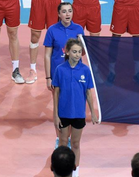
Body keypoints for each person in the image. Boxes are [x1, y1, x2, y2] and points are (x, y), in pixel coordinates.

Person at [52, 38, 100, 177]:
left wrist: (93, 113)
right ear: (67, 52)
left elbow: (88, 93)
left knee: (76, 144)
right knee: (62, 143)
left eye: (79, 52)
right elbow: (56, 93)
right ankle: (61, 171)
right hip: (63, 113)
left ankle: (75, 173)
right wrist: (55, 115)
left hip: (79, 113)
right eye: (74, 51)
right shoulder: (60, 69)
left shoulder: (85, 70)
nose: (77, 54)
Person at [44, 2, 85, 148]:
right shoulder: (52, 30)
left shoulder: (79, 29)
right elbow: (47, 55)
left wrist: (81, 44)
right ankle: (59, 138)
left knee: (73, 105)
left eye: (70, 11)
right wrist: (48, 77)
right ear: (59, 14)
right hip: (58, 76)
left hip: (76, 75)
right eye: (64, 11)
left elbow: (82, 53)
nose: (67, 14)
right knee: (59, 107)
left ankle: (69, 138)